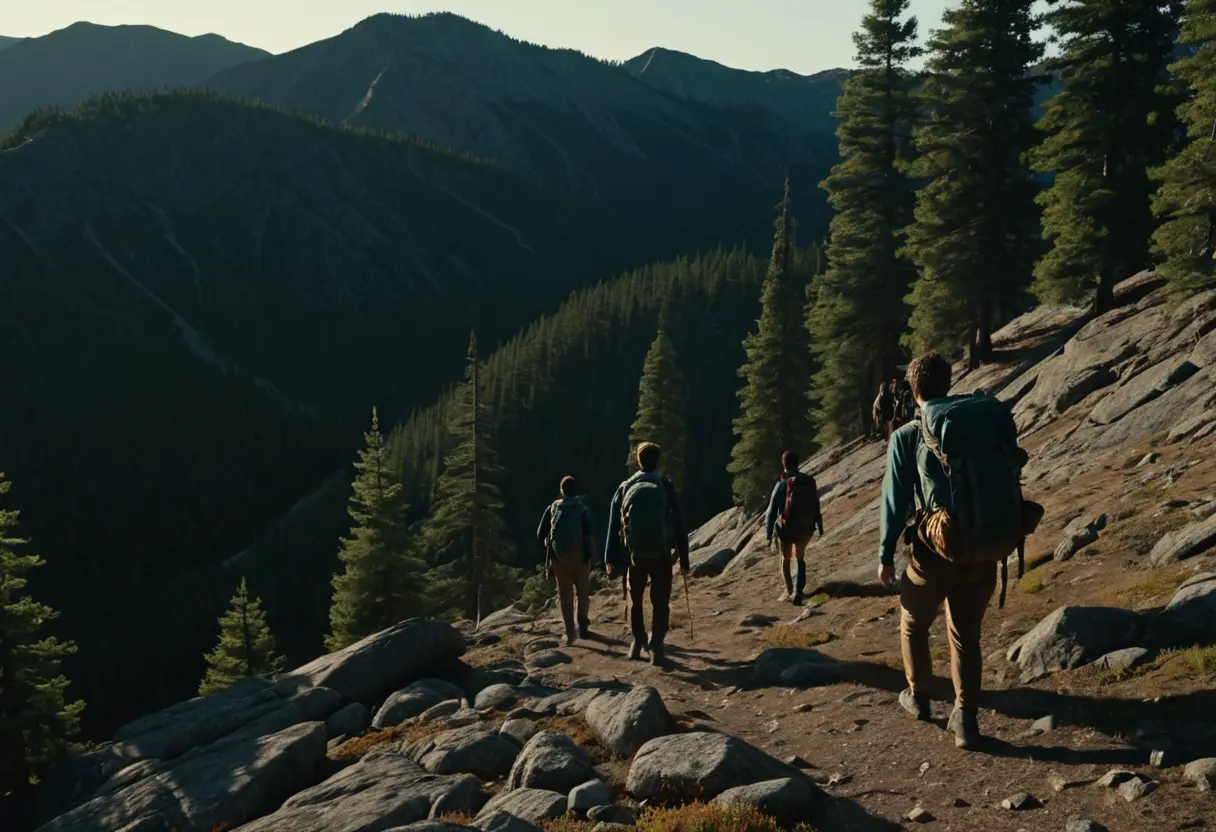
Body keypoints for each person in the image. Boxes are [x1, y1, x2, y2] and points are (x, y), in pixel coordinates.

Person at [878, 353, 998, 750]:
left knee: (913, 619)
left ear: (914, 392)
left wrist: (884, 555)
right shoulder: (971, 421)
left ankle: (919, 695)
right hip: (983, 546)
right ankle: (965, 718)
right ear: (947, 383)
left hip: (934, 553)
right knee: (966, 635)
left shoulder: (908, 436)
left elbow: (895, 504)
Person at [604, 442, 690, 666]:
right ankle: (657, 646)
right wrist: (684, 555)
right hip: (661, 554)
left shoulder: (625, 487)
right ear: (657, 461)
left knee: (634, 598)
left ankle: (637, 641)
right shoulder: (664, 485)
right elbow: (679, 521)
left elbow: (614, 524)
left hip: (634, 556)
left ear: (638, 461)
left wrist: (609, 558)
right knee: (660, 600)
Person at [536, 476, 596, 646]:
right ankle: (583, 626)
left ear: (562, 491)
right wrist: (593, 557)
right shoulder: (583, 509)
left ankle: (570, 633)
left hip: (559, 559)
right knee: (582, 593)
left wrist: (550, 547)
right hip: (581, 558)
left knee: (565, 596)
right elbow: (589, 535)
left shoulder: (553, 508)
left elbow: (540, 533)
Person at [763, 450, 824, 605]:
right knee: (800, 558)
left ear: (784, 464)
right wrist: (819, 523)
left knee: (786, 559)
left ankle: (790, 590)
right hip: (806, 526)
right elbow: (816, 503)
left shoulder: (782, 484)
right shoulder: (809, 481)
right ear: (798, 463)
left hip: (787, 529)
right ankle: (798, 590)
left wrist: (769, 533)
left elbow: (771, 511)